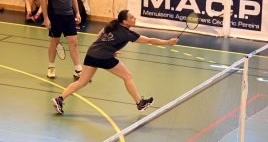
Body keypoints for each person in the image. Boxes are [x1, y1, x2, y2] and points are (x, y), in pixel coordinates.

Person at [51, 10, 179, 113]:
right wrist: (168, 42)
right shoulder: (126, 33)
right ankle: (140, 103)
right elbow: (149, 40)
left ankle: (60, 98)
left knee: (81, 82)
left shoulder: (112, 24)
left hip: (91, 54)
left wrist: (110, 49)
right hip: (104, 57)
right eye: (132, 17)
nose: (134, 19)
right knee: (127, 76)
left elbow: (99, 36)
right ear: (125, 21)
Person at [41, 0, 83, 80]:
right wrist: (46, 18)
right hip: (55, 16)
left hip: (69, 15)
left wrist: (77, 13)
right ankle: (51, 67)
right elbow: (44, 0)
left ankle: (78, 70)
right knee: (55, 41)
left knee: (74, 42)